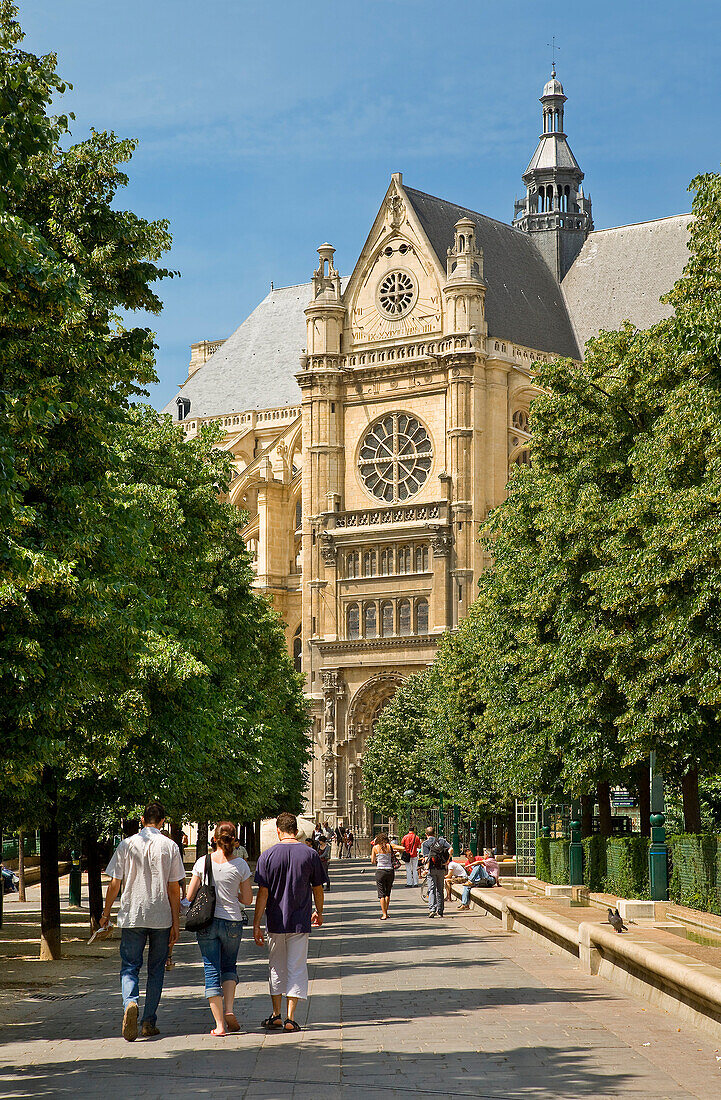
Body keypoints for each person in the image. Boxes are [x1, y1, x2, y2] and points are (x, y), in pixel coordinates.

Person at [100, 801, 184, 1041]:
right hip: (161, 916)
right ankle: (148, 1021)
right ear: (162, 822)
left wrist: (105, 914)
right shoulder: (170, 846)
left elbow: (115, 883)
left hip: (132, 914)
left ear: (141, 820)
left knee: (129, 966)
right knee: (156, 969)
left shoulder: (126, 845)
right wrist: (176, 923)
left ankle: (130, 1002)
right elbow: (174, 889)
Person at [253, 812, 325, 1033]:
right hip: (300, 920)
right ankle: (291, 1018)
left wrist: (256, 922)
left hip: (275, 920)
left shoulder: (267, 855)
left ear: (278, 830)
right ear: (296, 830)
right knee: (296, 966)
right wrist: (319, 912)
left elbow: (263, 893)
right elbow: (318, 888)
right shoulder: (309, 854)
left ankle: (276, 1014)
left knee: (276, 966)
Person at [186, 822, 253, 1036]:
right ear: (234, 840)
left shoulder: (202, 862)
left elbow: (189, 897)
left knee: (211, 969)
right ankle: (230, 1010)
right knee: (229, 966)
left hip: (207, 922)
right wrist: (235, 896)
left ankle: (219, 1025)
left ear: (214, 839)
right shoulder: (241, 865)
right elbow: (248, 900)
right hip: (233, 922)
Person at [421, 825, 451, 918]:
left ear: (426, 834)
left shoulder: (425, 844)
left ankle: (432, 909)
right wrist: (447, 860)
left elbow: (427, 858)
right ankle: (440, 910)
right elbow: (451, 849)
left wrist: (425, 869)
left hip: (431, 869)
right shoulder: (441, 841)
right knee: (440, 890)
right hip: (441, 869)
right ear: (434, 833)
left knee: (432, 889)